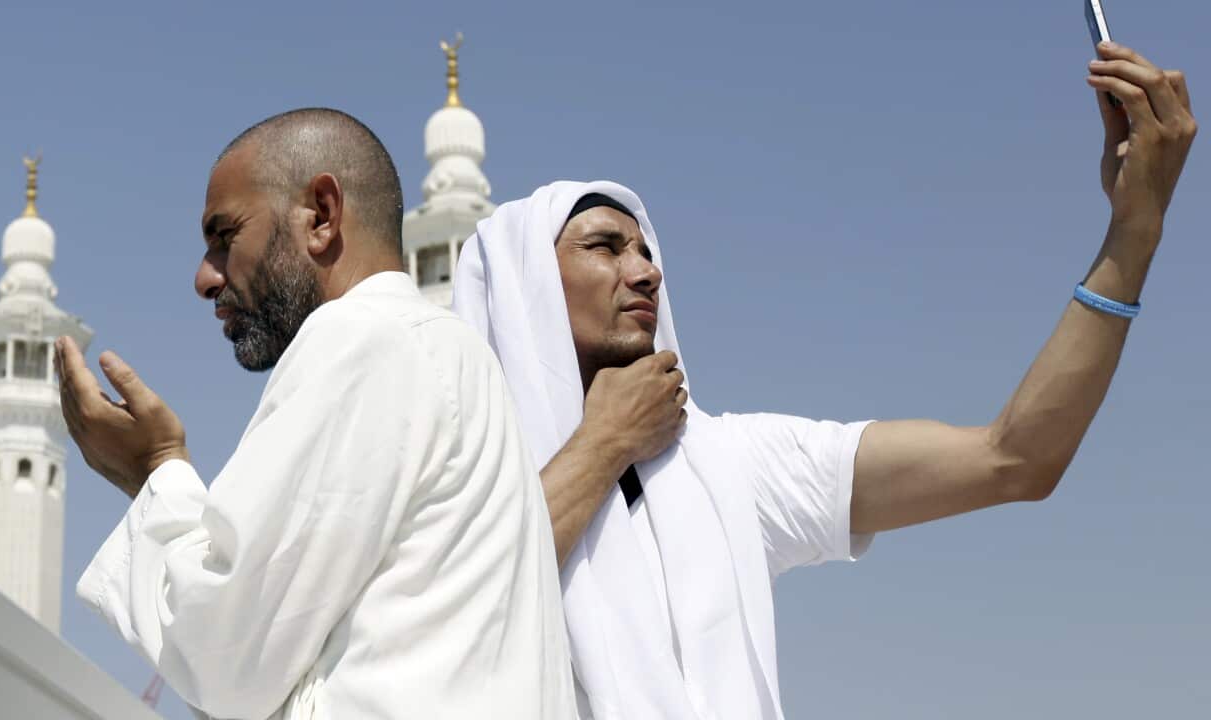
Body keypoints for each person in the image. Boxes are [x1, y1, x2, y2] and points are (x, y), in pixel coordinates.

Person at [451, 43, 1196, 720]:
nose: (645, 270)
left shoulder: (727, 466)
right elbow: (460, 611)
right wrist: (605, 440)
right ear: (525, 288)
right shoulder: (457, 484)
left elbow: (1016, 458)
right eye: (604, 247)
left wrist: (1135, 233)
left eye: (645, 249)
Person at [57, 108, 575, 720]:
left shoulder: (365, 338)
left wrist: (156, 468)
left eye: (226, 236)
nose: (205, 278)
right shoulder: (456, 356)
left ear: (321, 216)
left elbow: (226, 656)